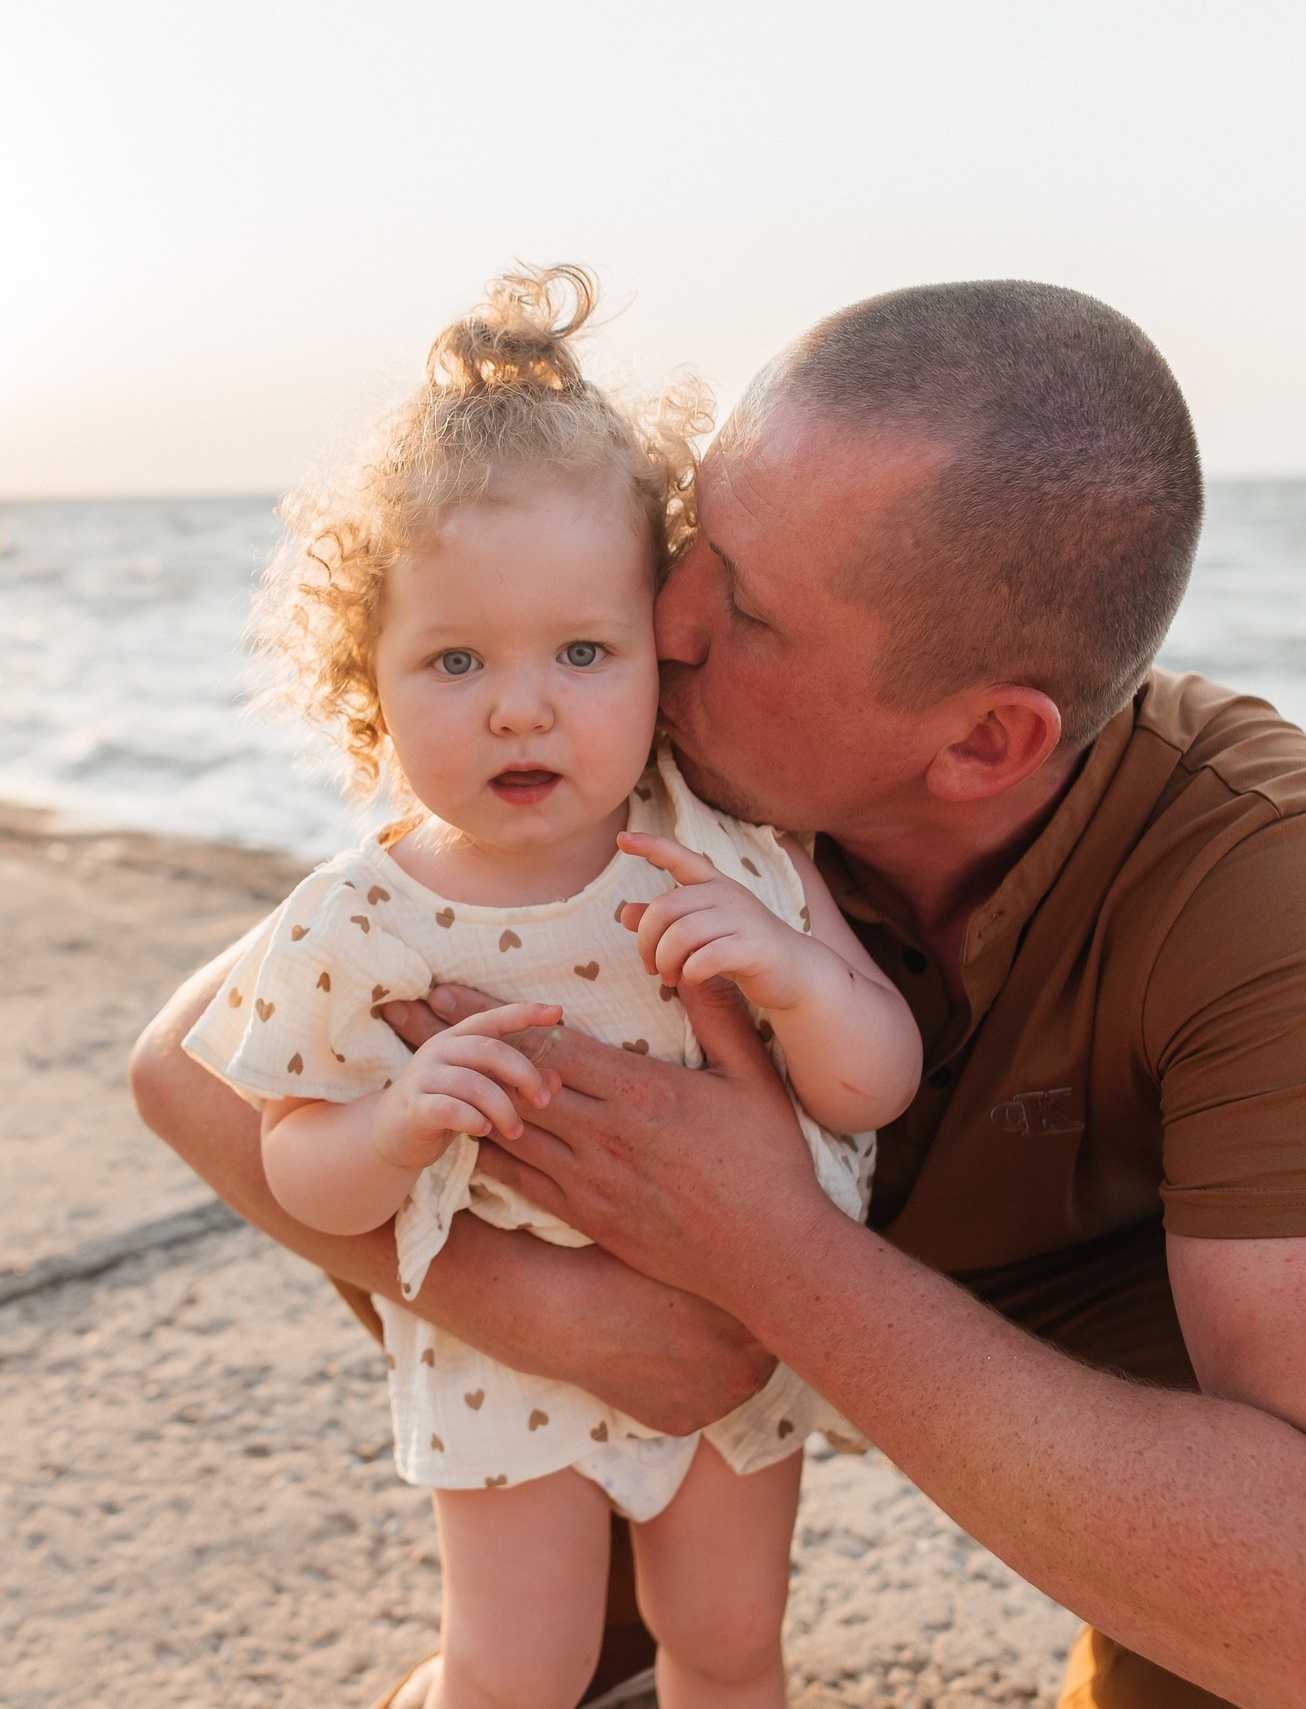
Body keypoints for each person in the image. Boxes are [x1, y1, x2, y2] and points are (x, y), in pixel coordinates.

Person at [133, 279, 1306, 1709]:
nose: (660, 618)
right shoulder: (629, 764)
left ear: (985, 740)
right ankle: (596, 1602)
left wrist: (770, 1250)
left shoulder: (1266, 880)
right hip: (610, 1350)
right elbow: (190, 1064)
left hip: (1073, 1363)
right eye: (692, 542)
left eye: (740, 606)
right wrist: (539, 1309)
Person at [183, 266, 922, 1709]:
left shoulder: (722, 852)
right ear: (369, 678)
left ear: (660, 648)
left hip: (736, 1323)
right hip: (503, 1367)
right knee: (512, 1668)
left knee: (727, 1642)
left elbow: (873, 1077)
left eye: (583, 651)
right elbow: (301, 1168)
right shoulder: (362, 914)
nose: (523, 704)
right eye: (456, 659)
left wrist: (795, 972)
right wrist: (395, 1122)